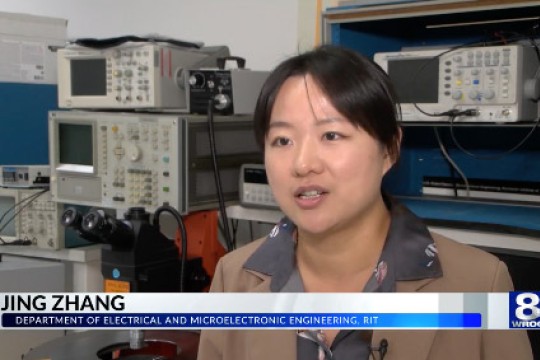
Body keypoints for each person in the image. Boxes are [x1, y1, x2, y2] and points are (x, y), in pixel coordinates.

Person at [197, 45, 533, 360]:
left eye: (331, 135)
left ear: (389, 149)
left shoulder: (479, 283)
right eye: (282, 140)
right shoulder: (233, 279)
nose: (302, 163)